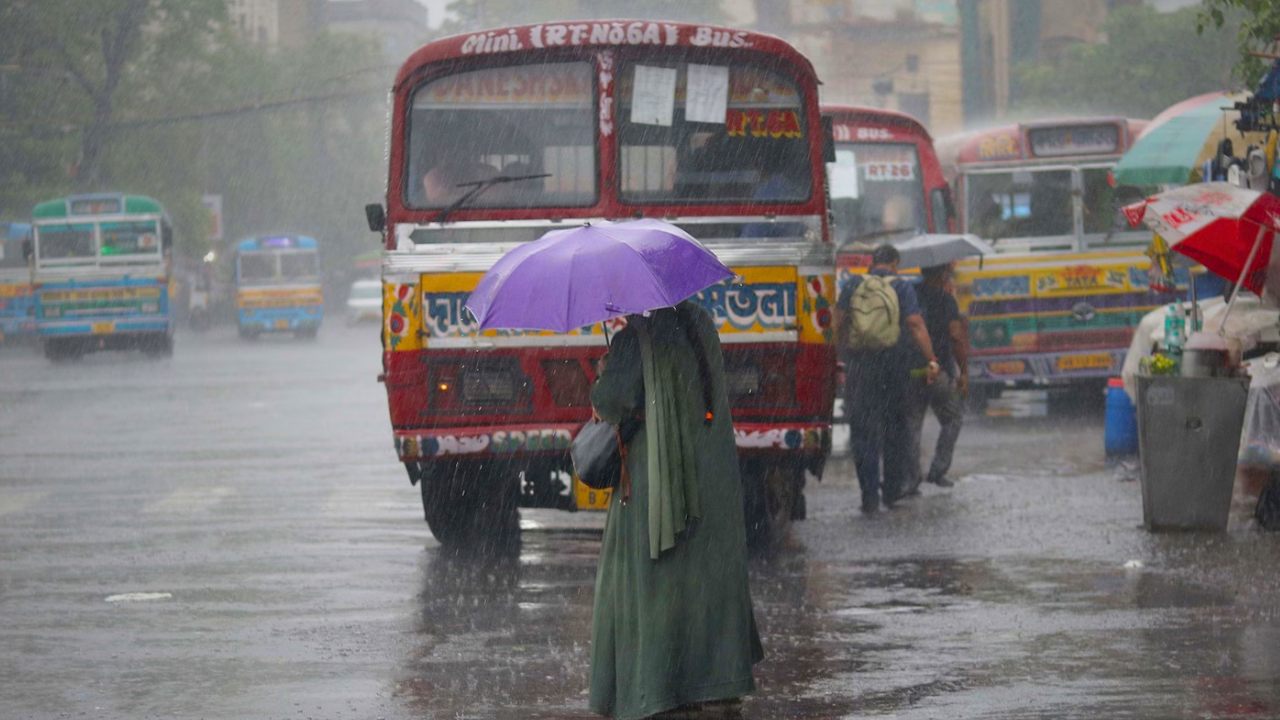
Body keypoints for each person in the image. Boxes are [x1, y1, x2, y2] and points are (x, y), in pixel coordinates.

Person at [588, 300, 763, 720]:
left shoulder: (635, 339)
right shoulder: (701, 324)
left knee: (654, 580)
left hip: (656, 480)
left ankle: (658, 687)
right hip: (711, 474)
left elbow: (611, 402)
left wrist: (604, 374)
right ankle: (717, 684)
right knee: (708, 577)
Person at [834, 244, 940, 514]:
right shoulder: (902, 287)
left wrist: (838, 357)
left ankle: (868, 495)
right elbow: (915, 324)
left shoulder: (853, 284)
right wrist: (931, 359)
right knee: (895, 428)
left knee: (863, 431)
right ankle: (891, 490)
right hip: (893, 365)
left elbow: (837, 322)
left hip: (860, 365)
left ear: (872, 262)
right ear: (895, 263)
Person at [903, 262, 968, 495]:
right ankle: (938, 471)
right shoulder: (946, 300)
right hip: (938, 371)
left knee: (912, 425)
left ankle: (911, 479)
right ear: (942, 274)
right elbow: (956, 337)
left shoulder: (909, 296)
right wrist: (963, 372)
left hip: (912, 371)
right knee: (953, 418)